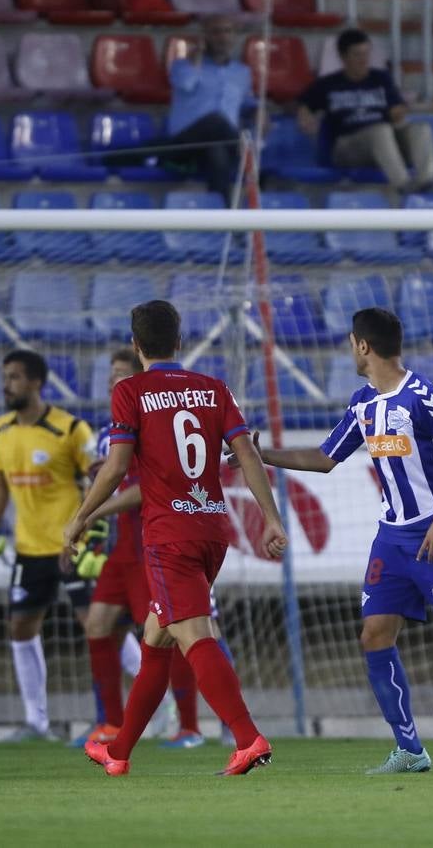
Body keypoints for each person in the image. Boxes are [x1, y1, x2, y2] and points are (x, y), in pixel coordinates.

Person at [237, 307, 433, 774]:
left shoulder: (425, 397)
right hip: (392, 538)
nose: (350, 352)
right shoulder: (362, 403)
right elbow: (324, 458)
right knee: (374, 634)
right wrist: (263, 455)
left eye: (351, 344)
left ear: (362, 345)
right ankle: (410, 749)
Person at [66, 300, 288, 776]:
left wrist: (81, 515)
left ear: (135, 344)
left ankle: (248, 738)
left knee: (195, 635)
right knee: (155, 640)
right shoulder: (213, 389)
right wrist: (271, 518)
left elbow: (118, 466)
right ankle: (119, 752)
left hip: (169, 535)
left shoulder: (131, 391)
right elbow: (247, 454)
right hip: (212, 529)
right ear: (180, 342)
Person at [69, 348, 206, 751]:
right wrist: (91, 532)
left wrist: (89, 514)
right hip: (122, 550)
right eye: (109, 375)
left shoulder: (151, 421)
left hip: (154, 544)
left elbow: (141, 490)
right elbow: (101, 482)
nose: (113, 381)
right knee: (97, 624)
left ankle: (190, 727)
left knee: (175, 631)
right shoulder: (105, 433)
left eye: (120, 375)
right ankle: (110, 723)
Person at [0, 350, 97, 741]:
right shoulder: (1, 429)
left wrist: (92, 533)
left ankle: (153, 707)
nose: (6, 384)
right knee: (21, 627)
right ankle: (37, 722)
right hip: (29, 550)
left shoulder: (71, 429)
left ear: (35, 383)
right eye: (4, 376)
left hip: (71, 546)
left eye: (13, 377)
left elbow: (96, 483)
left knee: (100, 625)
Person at [105, 15, 252, 199]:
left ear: (235, 36)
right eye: (216, 32)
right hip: (186, 142)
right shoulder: (182, 66)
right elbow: (185, 83)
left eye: (228, 31)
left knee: (217, 152)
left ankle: (225, 219)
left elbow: (248, 103)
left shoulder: (242, 72)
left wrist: (260, 112)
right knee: (215, 121)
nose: (223, 37)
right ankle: (242, 152)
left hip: (217, 146)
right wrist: (196, 59)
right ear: (205, 37)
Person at [297, 29, 433, 194]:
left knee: (420, 129)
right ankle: (403, 185)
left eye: (366, 53)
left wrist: (401, 112)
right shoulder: (328, 84)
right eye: (357, 55)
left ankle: (427, 182)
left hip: (385, 145)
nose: (364, 60)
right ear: (343, 57)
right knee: (380, 130)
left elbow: (396, 109)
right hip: (348, 147)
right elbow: (301, 103)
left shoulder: (381, 78)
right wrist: (304, 114)